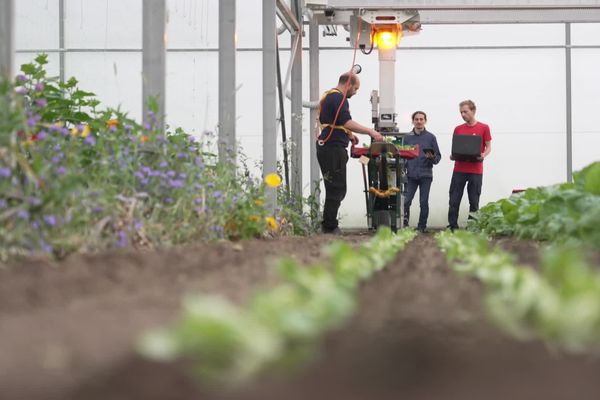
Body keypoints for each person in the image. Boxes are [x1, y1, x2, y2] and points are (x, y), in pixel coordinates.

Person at [317, 72, 384, 234]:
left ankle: (329, 224)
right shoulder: (338, 98)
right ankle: (329, 226)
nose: (355, 92)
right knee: (337, 187)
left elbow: (336, 123)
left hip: (331, 145)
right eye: (355, 88)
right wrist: (370, 132)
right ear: (348, 84)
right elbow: (346, 122)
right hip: (332, 148)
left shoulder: (331, 97)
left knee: (336, 186)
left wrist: (349, 135)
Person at [447, 100, 492, 231]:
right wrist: (452, 155)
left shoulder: (484, 127)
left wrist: (483, 154)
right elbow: (456, 146)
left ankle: (472, 227)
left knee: (474, 200)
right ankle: (452, 226)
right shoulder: (458, 129)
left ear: (473, 111)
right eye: (461, 112)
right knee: (454, 200)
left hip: (476, 170)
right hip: (459, 169)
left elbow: (489, 147)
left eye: (465, 111)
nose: (463, 114)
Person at [403, 111, 441, 233]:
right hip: (411, 175)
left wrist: (432, 158)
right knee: (406, 201)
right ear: (413, 121)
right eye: (416, 119)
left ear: (425, 121)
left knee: (423, 202)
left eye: (421, 119)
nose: (419, 121)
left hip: (426, 175)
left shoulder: (431, 137)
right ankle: (404, 223)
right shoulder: (407, 138)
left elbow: (438, 157)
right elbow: (402, 154)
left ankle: (421, 227)